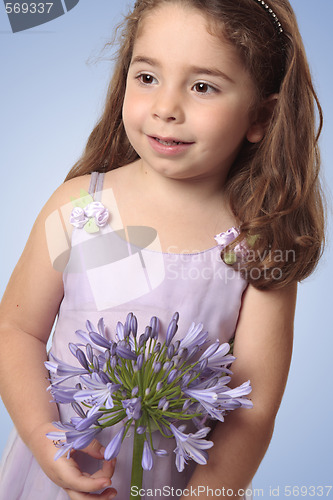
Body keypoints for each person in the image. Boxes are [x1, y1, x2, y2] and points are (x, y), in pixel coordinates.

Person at [0, 0, 325, 499]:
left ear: (260, 116)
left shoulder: (255, 244)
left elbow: (251, 411)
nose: (166, 107)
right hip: (60, 479)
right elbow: (15, 330)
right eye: (147, 77)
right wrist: (50, 446)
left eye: (202, 86)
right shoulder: (79, 206)